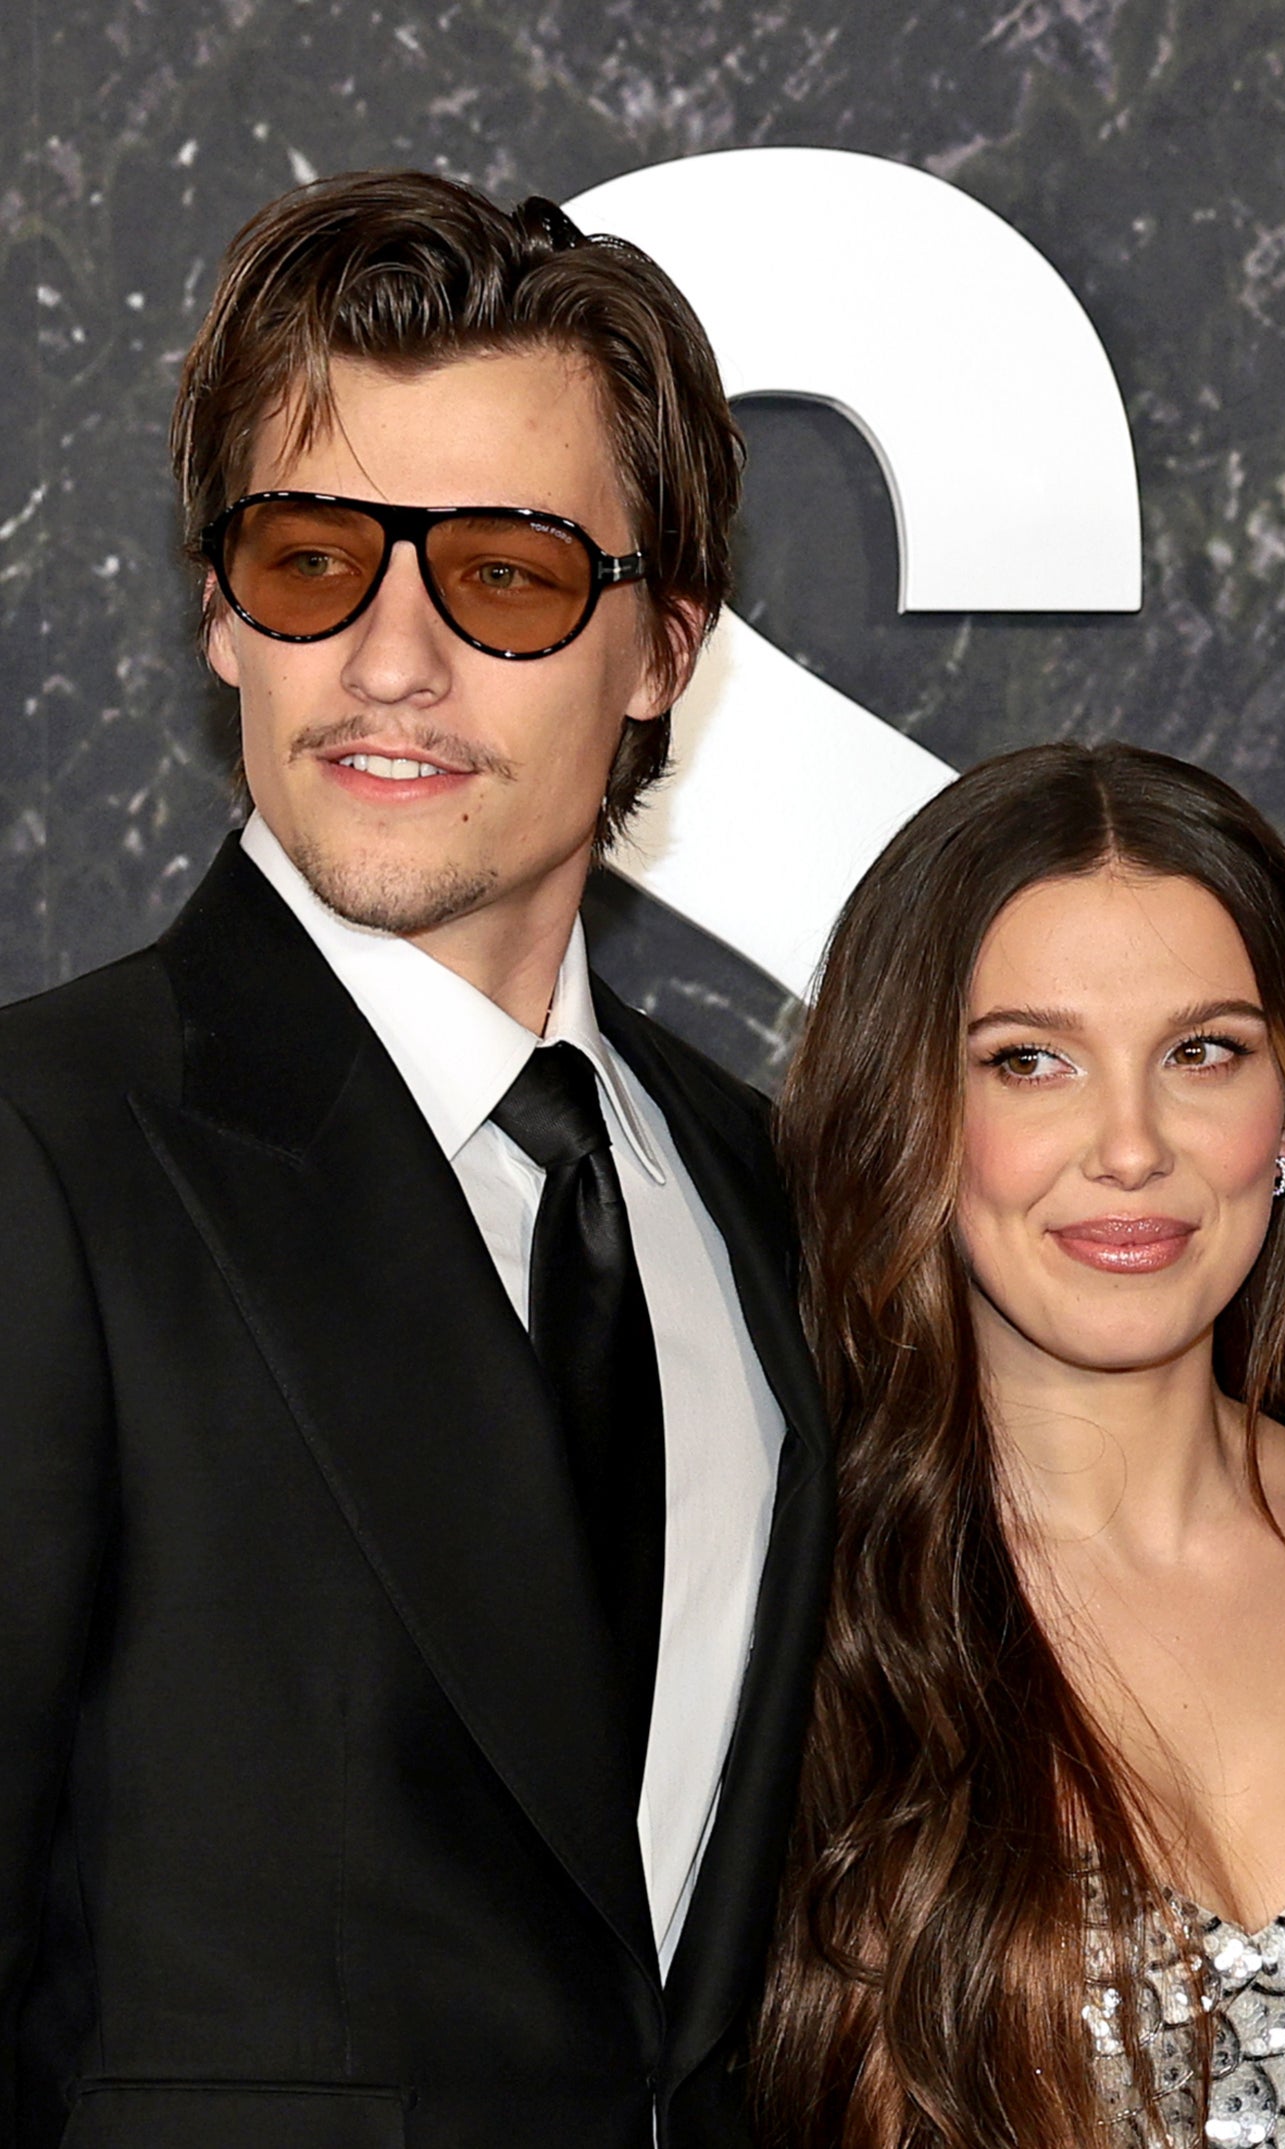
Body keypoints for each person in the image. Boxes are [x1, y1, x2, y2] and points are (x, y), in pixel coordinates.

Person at [0, 174, 829, 2143]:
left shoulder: (762, 1196)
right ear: (220, 608)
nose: (389, 658)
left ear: (661, 651)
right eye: (308, 560)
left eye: (509, 576)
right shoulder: (44, 1159)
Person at [753, 741, 1285, 2147]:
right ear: (911, 1111)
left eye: (1202, 1052)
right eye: (1030, 1061)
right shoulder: (784, 1593)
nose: (1129, 1145)